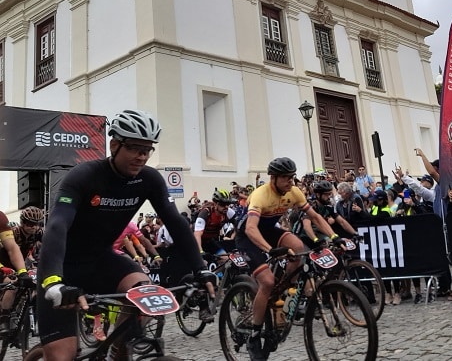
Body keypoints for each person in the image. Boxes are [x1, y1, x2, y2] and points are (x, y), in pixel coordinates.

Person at [36, 109, 215, 361]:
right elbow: (57, 226)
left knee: (147, 296)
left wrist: (200, 268)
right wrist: (53, 280)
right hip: (63, 267)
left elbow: (176, 223)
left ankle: (117, 354)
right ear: (114, 145)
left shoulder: (149, 179)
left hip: (102, 261)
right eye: (134, 148)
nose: (141, 156)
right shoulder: (84, 176)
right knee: (62, 356)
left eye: (147, 150)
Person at [235, 157, 343, 361]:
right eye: (286, 178)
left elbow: (315, 217)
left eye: (292, 177)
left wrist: (334, 236)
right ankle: (254, 336)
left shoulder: (293, 192)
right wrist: (270, 250)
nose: (290, 182)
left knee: (299, 248)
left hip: (270, 231)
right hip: (248, 237)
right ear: (273, 178)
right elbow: (250, 228)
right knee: (267, 282)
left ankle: (285, 290)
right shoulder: (260, 195)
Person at [0, 209, 34, 334]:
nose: (33, 227)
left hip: (8, 264)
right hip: (3, 262)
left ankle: (5, 318)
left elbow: (12, 247)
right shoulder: (17, 232)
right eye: (30, 223)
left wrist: (23, 272)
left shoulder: (1, 218)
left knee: (13, 284)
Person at [194, 188, 237, 259]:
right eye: (223, 204)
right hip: (195, 241)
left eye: (228, 204)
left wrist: (232, 237)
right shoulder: (206, 213)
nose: (226, 207)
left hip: (209, 240)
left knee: (225, 259)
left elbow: (238, 226)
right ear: (215, 204)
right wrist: (200, 252)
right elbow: (197, 234)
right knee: (202, 262)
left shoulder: (229, 212)